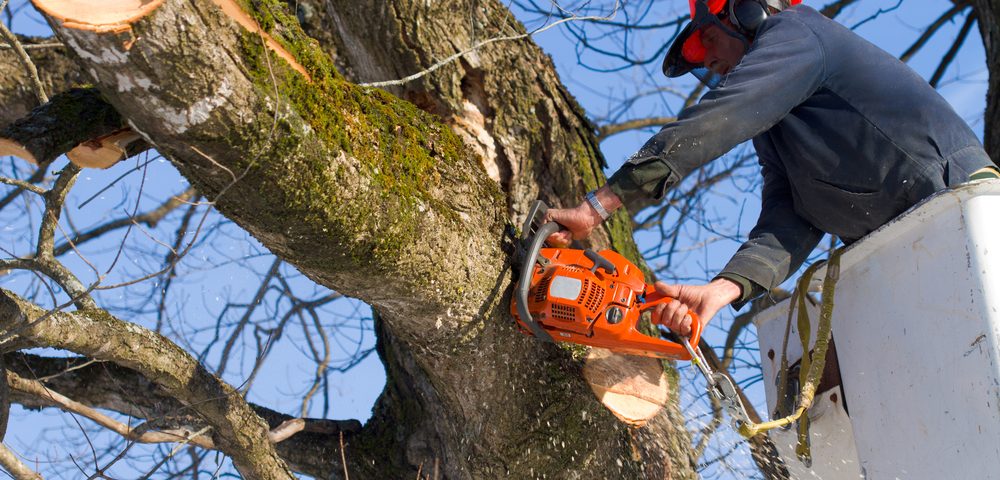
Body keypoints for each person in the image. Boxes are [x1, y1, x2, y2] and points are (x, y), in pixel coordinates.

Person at [546, 0, 998, 337]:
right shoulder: (778, 127)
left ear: (747, 14)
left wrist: (598, 206)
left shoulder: (799, 33)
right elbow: (791, 216)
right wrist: (722, 290)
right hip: (903, 249)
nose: (710, 61)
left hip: (958, 206)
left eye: (708, 41)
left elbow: (722, 117)